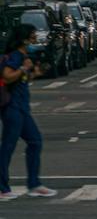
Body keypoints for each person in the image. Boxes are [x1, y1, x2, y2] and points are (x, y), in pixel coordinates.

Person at [0, 24, 57, 201]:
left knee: (35, 141)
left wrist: (35, 73)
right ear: (24, 39)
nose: (35, 39)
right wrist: (24, 68)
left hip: (22, 108)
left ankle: (34, 184)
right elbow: (7, 76)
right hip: (13, 109)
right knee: (8, 147)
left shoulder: (23, 56)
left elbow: (20, 79)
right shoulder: (17, 56)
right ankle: (2, 188)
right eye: (32, 36)